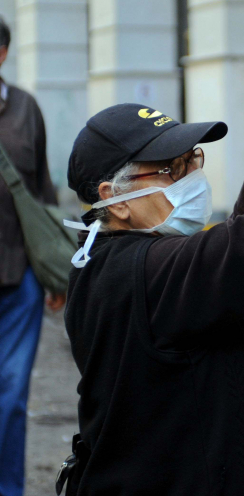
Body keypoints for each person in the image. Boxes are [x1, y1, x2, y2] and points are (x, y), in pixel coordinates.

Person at [59, 98, 244, 495]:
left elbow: (214, 274)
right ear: (116, 199)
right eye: (172, 169)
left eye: (192, 159)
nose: (192, 175)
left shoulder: (120, 258)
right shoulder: (139, 271)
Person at [0, 17, 65, 496]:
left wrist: (55, 271)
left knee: (12, 397)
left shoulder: (26, 109)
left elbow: (42, 190)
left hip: (19, 274)